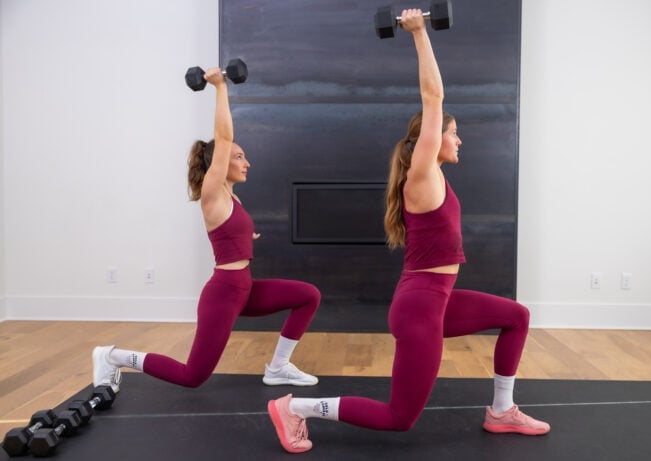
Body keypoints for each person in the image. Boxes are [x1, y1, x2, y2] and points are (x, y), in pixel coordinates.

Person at [267, 9, 550, 454]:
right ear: (432, 141)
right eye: (454, 134)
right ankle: (295, 408)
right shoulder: (423, 177)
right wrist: (418, 33)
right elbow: (433, 97)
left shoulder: (435, 178)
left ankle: (501, 411)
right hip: (420, 308)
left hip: (436, 301)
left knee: (516, 316)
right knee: (399, 418)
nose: (459, 141)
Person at [92, 67, 320, 392]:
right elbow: (224, 138)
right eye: (239, 157)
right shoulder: (212, 193)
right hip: (224, 293)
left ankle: (279, 367)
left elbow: (229, 232)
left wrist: (246, 237)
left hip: (244, 288)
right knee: (193, 376)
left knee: (308, 295)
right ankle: (113, 357)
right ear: (220, 162)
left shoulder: (232, 196)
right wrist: (219, 86)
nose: (247, 162)